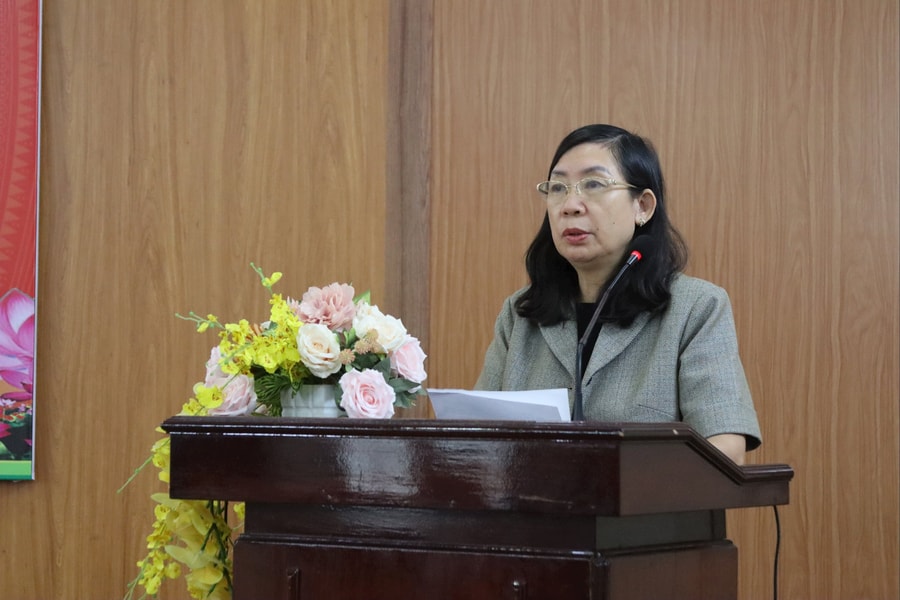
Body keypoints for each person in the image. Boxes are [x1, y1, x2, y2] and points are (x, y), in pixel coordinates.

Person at [475, 124, 761, 464]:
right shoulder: (521, 315)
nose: (570, 205)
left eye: (594, 184)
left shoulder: (695, 309)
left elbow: (725, 449)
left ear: (643, 206)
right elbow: (473, 438)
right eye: (558, 188)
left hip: (646, 501)